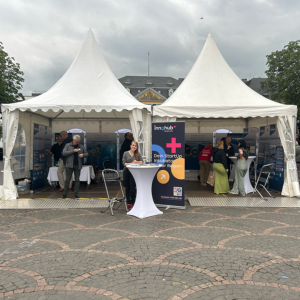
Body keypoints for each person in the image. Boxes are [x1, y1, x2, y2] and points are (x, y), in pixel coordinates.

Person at [62, 135, 88, 199]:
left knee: (77, 180)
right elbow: (64, 153)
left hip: (78, 165)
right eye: (76, 142)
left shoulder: (81, 146)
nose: (77, 143)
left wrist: (83, 155)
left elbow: (87, 154)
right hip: (69, 165)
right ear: (73, 140)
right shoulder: (68, 145)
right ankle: (64, 194)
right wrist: (73, 151)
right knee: (67, 180)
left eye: (78, 142)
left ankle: (76, 194)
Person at [122, 141, 143, 210]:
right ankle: (128, 204)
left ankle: (133, 203)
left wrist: (136, 162)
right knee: (127, 188)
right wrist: (131, 163)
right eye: (133, 145)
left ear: (137, 147)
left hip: (133, 173)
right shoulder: (125, 153)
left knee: (133, 189)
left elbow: (142, 162)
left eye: (135, 146)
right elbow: (124, 163)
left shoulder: (137, 154)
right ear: (130, 146)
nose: (134, 147)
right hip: (126, 172)